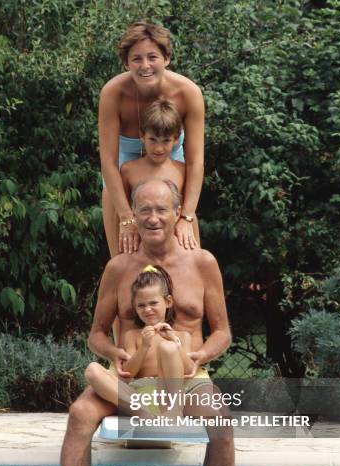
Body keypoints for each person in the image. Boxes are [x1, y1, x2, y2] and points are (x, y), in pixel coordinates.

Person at [46, 178, 234, 466]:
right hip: (129, 376)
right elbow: (96, 334)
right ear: (132, 214)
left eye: (162, 209)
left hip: (184, 375)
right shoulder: (119, 267)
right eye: (144, 209)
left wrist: (199, 356)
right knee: (80, 413)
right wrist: (115, 352)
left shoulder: (202, 263)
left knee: (221, 420)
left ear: (177, 213)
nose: (153, 218)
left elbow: (223, 332)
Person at [99, 21, 204, 256]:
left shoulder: (188, 93)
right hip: (122, 160)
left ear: (166, 58)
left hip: (169, 152)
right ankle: (121, 276)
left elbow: (196, 163)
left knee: (183, 237)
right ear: (126, 63)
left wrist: (186, 216)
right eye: (136, 59)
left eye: (152, 57)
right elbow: (107, 161)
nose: (145, 66)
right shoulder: (113, 93)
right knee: (121, 239)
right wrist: (127, 218)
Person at [84, 264, 195, 419]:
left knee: (168, 348)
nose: (147, 309)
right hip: (137, 397)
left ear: (168, 301)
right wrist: (144, 347)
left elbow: (190, 370)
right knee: (92, 369)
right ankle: (146, 415)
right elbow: (128, 374)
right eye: (141, 305)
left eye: (153, 303)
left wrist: (175, 342)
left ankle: (174, 414)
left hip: (167, 394)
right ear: (135, 308)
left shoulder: (182, 336)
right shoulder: (133, 336)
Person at [120, 100, 200, 245]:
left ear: (175, 139)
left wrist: (195, 250)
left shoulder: (182, 170)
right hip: (139, 244)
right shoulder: (128, 170)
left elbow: (189, 215)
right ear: (142, 136)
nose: (158, 148)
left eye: (166, 141)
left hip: (175, 244)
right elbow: (122, 213)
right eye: (153, 140)